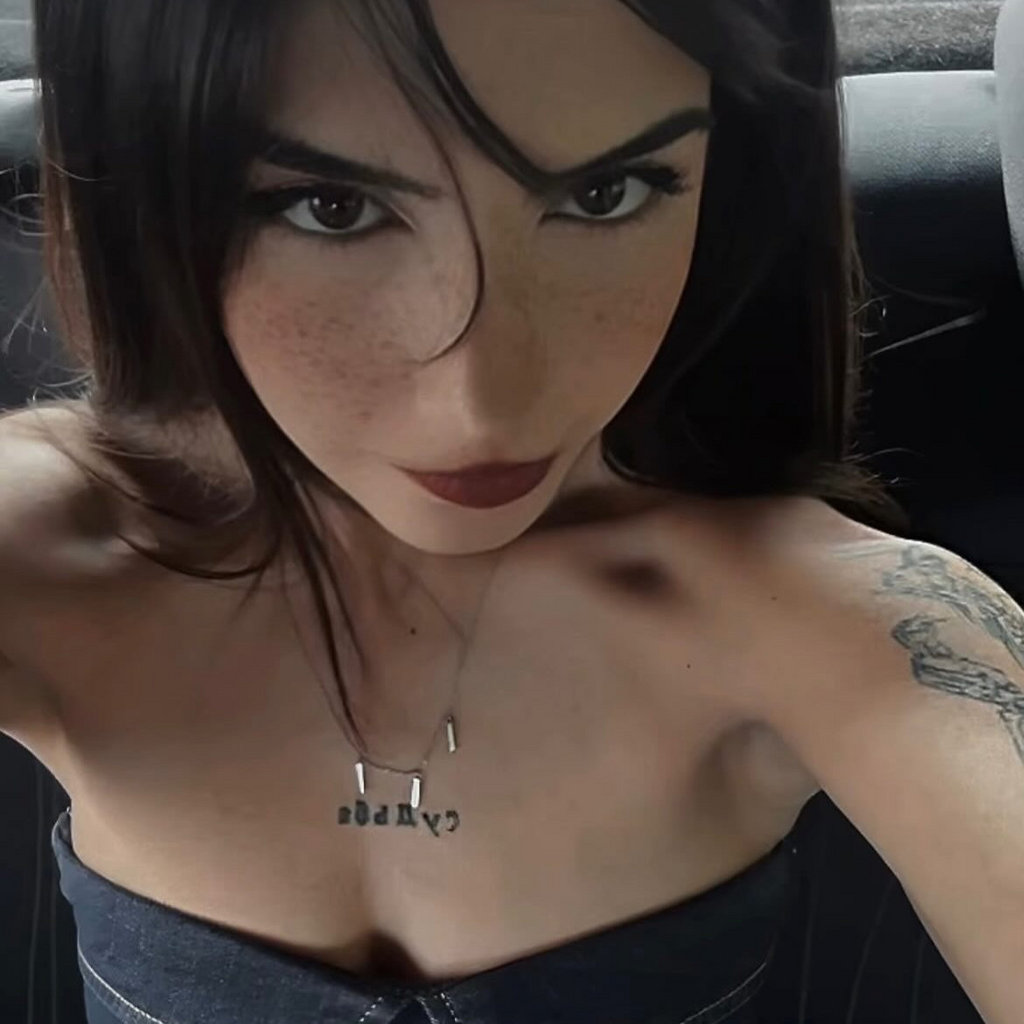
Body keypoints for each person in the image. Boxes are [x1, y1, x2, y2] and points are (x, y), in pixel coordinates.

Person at [4, 1, 1022, 1023]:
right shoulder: (46, 557)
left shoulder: (839, 621)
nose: (482, 405)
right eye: (331, 207)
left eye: (605, 192)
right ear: (137, 178)